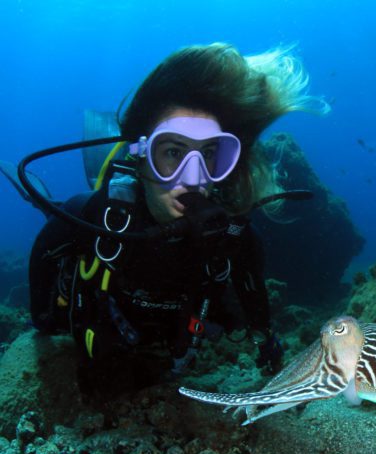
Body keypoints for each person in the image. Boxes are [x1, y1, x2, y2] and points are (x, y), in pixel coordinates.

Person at [27, 43, 327, 399]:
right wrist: (44, 322)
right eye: (173, 153)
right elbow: (42, 262)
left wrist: (265, 340)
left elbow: (252, 295)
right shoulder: (93, 215)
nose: (193, 177)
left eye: (211, 155)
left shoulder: (233, 237)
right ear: (141, 158)